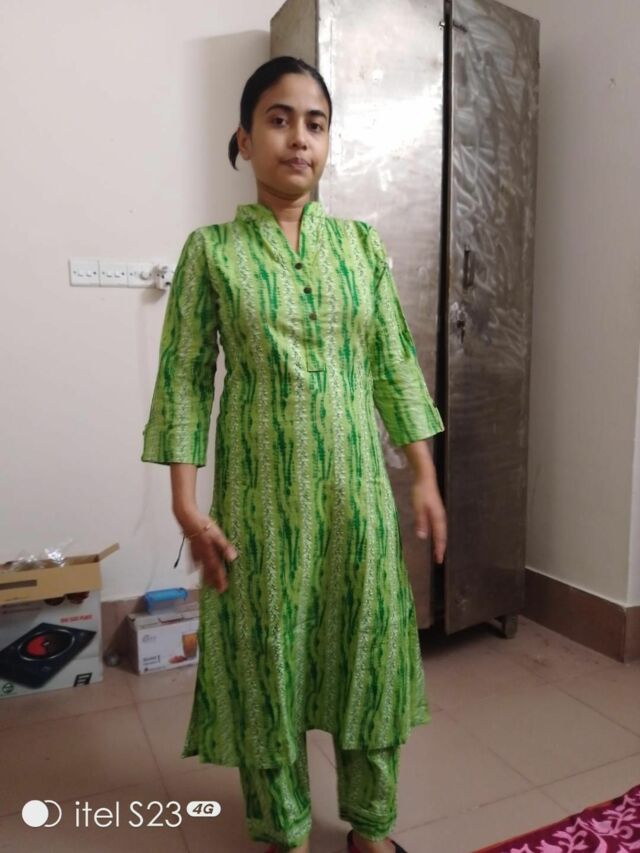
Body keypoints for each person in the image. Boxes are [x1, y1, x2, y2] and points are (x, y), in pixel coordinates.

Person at [141, 55, 447, 853]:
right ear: (245, 140)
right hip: (259, 509)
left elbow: (392, 363)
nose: (299, 139)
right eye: (279, 120)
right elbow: (183, 380)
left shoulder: (359, 246)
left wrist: (423, 474)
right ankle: (283, 830)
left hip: (356, 501)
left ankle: (371, 829)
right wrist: (185, 503)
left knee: (368, 650)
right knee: (264, 659)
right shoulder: (212, 252)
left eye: (316, 123)